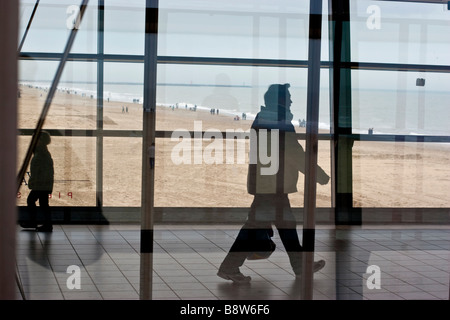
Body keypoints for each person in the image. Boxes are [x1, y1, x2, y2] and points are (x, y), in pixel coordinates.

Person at [217, 83, 330, 283]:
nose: (292, 100)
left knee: (285, 226)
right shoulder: (278, 120)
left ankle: (300, 266)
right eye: (288, 97)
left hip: (268, 183)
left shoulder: (264, 118)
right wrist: (318, 174)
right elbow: (294, 152)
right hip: (272, 185)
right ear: (280, 100)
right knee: (266, 227)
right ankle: (230, 267)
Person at [27, 130, 54, 232]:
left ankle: (35, 221)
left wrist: (35, 181)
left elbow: (42, 171)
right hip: (43, 184)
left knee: (32, 200)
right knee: (43, 204)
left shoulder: (41, 154)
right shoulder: (42, 152)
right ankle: (46, 224)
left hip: (41, 184)